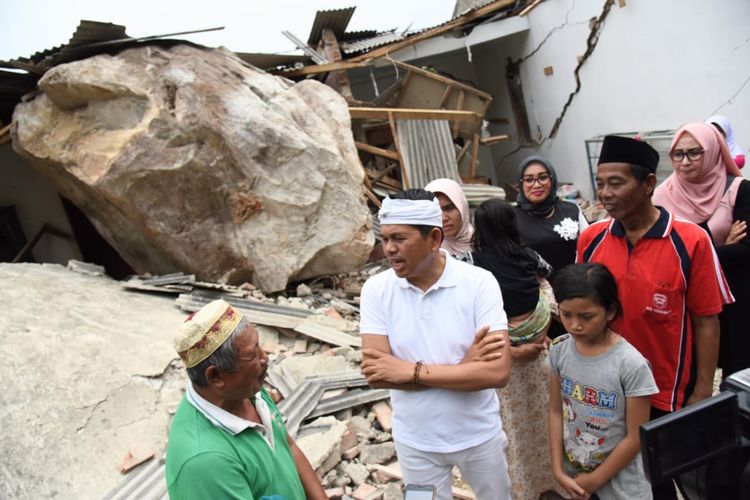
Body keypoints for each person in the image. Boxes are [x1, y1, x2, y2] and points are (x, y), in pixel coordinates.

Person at [577, 135, 733, 500]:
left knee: (664, 480)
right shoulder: (592, 239)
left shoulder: (691, 241)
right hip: (609, 390)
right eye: (600, 183)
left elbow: (707, 320)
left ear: (648, 184)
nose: (605, 193)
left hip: (668, 391)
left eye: (616, 183)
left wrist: (700, 393)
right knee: (611, 475)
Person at [360, 189, 512, 500]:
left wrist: (409, 372)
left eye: (399, 238)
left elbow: (497, 373)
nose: (389, 249)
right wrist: (465, 369)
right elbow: (378, 374)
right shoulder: (376, 290)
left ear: (433, 238)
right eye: (385, 238)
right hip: (415, 443)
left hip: (478, 437)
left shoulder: (479, 283)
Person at [165, 299, 326, 500]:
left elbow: (287, 445)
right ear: (216, 376)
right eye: (251, 356)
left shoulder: (246, 391)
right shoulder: (206, 463)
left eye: (259, 345)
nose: (264, 358)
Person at [471, 198, 563, 500]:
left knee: (511, 425)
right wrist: (541, 326)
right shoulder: (528, 255)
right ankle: (555, 479)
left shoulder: (473, 265)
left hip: (500, 357)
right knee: (548, 412)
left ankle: (522, 488)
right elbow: (549, 279)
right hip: (539, 348)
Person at [548, 263, 658, 500]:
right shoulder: (559, 350)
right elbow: (556, 411)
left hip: (623, 485)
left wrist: (595, 480)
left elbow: (635, 436)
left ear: (610, 311)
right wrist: (557, 469)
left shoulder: (631, 364)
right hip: (575, 476)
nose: (575, 325)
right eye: (566, 314)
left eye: (587, 317)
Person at [653, 122, 750, 378]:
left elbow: (746, 251)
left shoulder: (739, 190)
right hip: (685, 296)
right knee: (692, 368)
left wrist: (691, 256)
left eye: (695, 152)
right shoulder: (660, 197)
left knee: (737, 370)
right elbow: (658, 252)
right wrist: (723, 248)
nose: (684, 161)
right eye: (678, 153)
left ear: (712, 151)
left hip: (736, 296)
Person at [514, 156, 589, 338]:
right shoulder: (512, 218)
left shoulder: (571, 210)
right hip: (537, 305)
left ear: (552, 179)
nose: (536, 184)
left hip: (577, 295)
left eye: (543, 177)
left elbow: (590, 249)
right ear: (521, 184)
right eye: (529, 179)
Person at [424, 178, 474, 262]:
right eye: (435, 212)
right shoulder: (426, 253)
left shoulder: (486, 245)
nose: (443, 218)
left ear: (462, 207)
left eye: (449, 208)